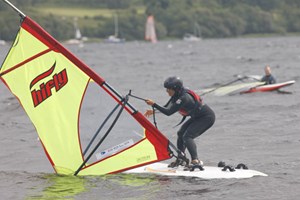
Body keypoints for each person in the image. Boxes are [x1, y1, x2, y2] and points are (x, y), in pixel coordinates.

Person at [144, 76, 215, 168]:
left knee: (188, 136)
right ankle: (181, 159)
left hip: (206, 117)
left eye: (168, 89)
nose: (167, 91)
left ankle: (195, 161)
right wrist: (154, 110)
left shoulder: (183, 98)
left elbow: (168, 112)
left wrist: (154, 104)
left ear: (175, 89)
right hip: (197, 117)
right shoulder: (177, 94)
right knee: (181, 133)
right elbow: (167, 106)